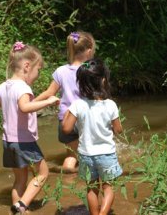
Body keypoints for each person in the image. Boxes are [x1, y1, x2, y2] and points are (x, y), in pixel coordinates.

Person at [0, 41, 59, 214]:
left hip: (8, 142)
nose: (38, 74)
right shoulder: (23, 87)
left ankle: (18, 210)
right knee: (43, 173)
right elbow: (24, 107)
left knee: (20, 179)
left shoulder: (3, 86)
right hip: (24, 141)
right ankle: (21, 205)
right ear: (27, 66)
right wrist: (48, 101)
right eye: (38, 70)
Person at [62, 58, 123, 215]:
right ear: (103, 80)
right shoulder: (110, 104)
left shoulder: (78, 105)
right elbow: (119, 130)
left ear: (82, 83)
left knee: (92, 188)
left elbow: (66, 129)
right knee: (108, 187)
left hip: (86, 155)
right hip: (107, 154)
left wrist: (68, 111)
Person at [35, 31, 96, 172]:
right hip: (85, 118)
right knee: (92, 153)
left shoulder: (61, 71)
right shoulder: (90, 70)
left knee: (71, 156)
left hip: (65, 120)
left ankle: (67, 176)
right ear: (89, 51)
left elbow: (49, 93)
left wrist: (31, 103)